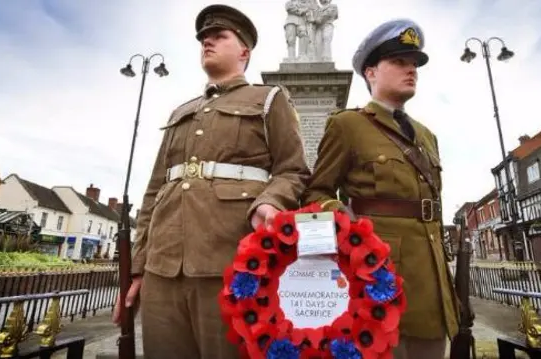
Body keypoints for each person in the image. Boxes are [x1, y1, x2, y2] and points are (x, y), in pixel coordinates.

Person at [112, 4, 311, 359]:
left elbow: (293, 170)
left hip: (228, 263)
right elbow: (155, 191)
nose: (208, 42)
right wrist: (139, 268)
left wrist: (270, 202)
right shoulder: (181, 112)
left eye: (219, 36)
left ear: (244, 51)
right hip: (163, 269)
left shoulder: (268, 100)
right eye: (204, 38)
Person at [301, 19, 460, 359]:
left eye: (414, 64)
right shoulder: (347, 125)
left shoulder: (426, 135)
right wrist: (342, 218)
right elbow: (315, 193)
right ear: (371, 72)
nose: (411, 70)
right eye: (400, 62)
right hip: (380, 284)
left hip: (433, 288)